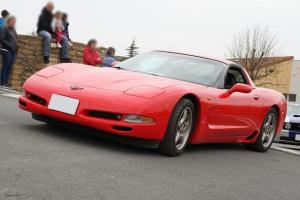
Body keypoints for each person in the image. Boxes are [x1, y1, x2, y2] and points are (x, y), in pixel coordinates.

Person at [0, 16, 18, 87]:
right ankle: (2, 83)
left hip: (13, 51)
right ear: (8, 21)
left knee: (9, 67)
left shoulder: (13, 30)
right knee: (5, 66)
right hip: (6, 50)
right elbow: (1, 39)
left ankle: (6, 83)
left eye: (14, 22)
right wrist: (10, 46)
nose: (14, 23)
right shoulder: (4, 28)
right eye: (12, 21)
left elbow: (15, 40)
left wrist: (16, 47)